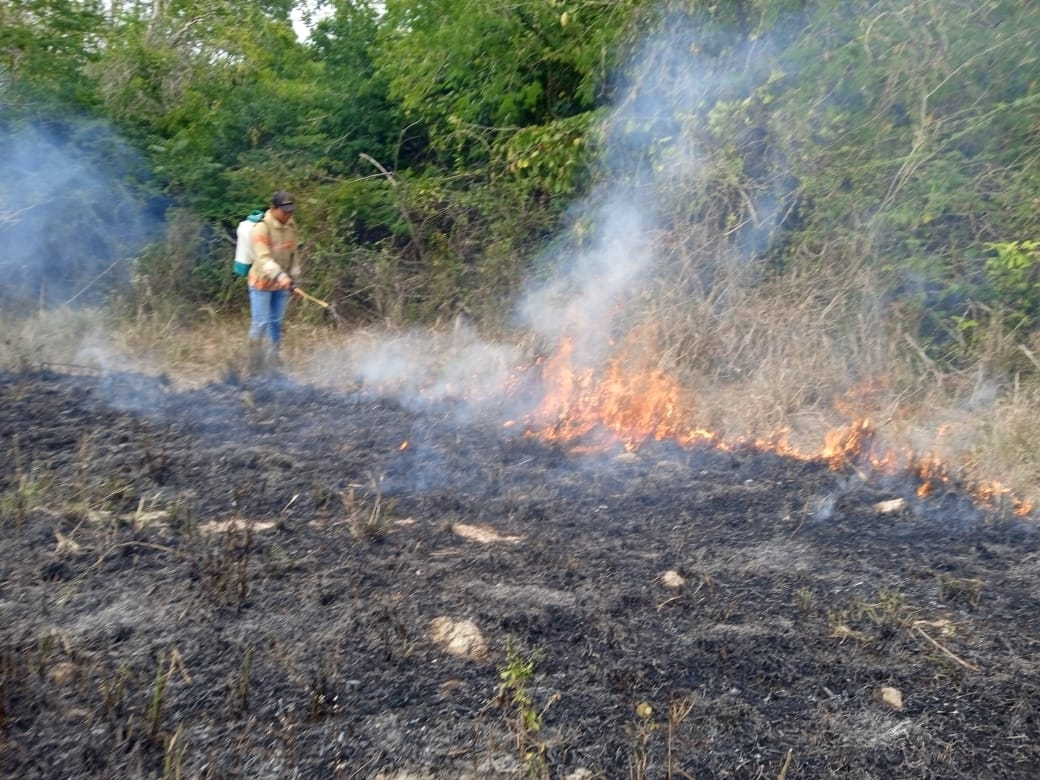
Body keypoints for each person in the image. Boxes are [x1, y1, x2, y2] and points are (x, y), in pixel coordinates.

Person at [248, 191, 301, 371]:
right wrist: (281, 277)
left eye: (291, 210)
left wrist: (295, 280)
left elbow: (294, 254)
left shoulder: (291, 225)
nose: (289, 214)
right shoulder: (261, 228)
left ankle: (274, 359)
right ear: (274, 209)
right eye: (285, 211)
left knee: (275, 322)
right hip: (262, 283)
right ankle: (254, 362)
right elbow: (263, 259)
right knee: (261, 322)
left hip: (281, 285)